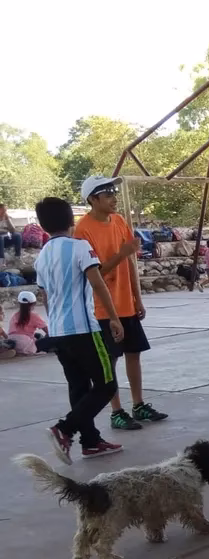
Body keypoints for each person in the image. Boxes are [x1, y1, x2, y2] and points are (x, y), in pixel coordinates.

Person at [73, 175, 168, 431]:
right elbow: (95, 273)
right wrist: (122, 254)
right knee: (110, 360)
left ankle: (139, 404)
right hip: (104, 307)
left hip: (125, 303)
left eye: (114, 192)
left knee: (133, 354)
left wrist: (137, 297)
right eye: (108, 194)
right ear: (93, 199)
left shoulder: (119, 221)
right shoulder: (82, 231)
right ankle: (116, 411)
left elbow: (130, 262)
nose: (114, 198)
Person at [35, 197, 125, 463]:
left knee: (78, 387)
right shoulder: (80, 247)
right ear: (71, 220)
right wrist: (114, 318)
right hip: (84, 329)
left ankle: (90, 441)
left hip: (60, 330)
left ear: (43, 225)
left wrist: (54, 326)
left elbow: (46, 297)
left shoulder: (42, 256)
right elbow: (98, 284)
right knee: (107, 385)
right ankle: (64, 429)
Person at [7, 290, 48, 356]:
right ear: (34, 303)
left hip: (13, 342)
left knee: (37, 335)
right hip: (26, 344)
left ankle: (16, 350)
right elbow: (48, 331)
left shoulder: (14, 315)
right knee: (50, 339)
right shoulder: (34, 316)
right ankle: (30, 349)